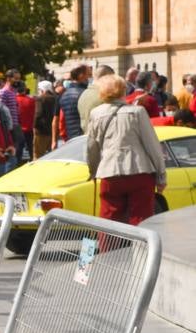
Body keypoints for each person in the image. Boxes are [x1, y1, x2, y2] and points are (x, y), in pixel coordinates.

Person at [86, 74, 167, 226]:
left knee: (109, 220)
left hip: (110, 173)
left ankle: (109, 250)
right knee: (141, 219)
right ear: (123, 90)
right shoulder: (138, 112)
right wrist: (161, 176)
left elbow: (92, 147)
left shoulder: (96, 114)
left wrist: (93, 171)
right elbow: (152, 145)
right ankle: (140, 250)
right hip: (140, 171)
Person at [57, 64, 89, 143]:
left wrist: (64, 137)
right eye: (88, 74)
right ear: (81, 75)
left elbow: (61, 120)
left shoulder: (64, 95)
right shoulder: (85, 94)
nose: (88, 78)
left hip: (70, 138)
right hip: (83, 137)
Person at [33, 80, 57, 158]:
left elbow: (38, 114)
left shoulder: (40, 99)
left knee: (38, 154)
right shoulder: (55, 98)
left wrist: (34, 126)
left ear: (42, 89)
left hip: (41, 131)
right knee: (51, 156)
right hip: (53, 132)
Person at [14, 80, 36, 162]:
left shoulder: (14, 100)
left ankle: (18, 164)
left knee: (18, 150)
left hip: (18, 128)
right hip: (29, 128)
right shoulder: (31, 100)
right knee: (31, 148)